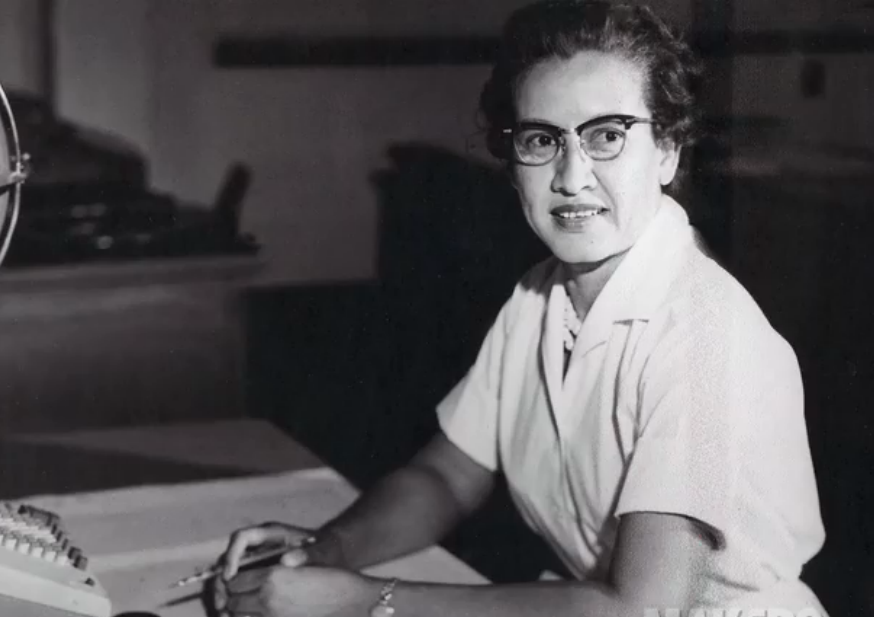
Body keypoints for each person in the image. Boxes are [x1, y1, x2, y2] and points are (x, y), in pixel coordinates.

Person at [212, 1, 829, 616]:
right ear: (513, 169)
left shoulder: (707, 338)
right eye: (541, 140)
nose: (571, 175)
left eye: (607, 136)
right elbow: (448, 477)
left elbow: (640, 611)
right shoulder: (540, 296)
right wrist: (327, 551)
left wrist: (363, 601)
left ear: (666, 151)